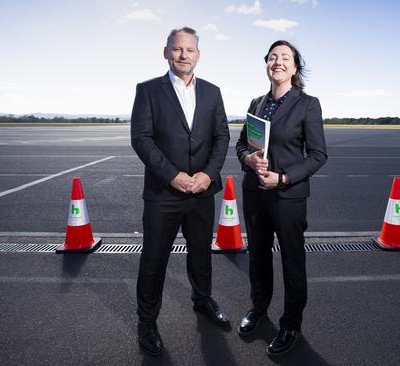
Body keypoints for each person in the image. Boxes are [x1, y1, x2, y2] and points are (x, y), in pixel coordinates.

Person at [130, 26, 231, 357]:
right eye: (177, 49)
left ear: (198, 55)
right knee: (154, 260)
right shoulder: (147, 91)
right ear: (166, 53)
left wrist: (208, 174)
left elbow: (222, 138)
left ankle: (202, 301)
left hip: (202, 191)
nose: (183, 55)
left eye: (189, 50)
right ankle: (147, 322)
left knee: (201, 254)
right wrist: (173, 176)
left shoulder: (213, 92)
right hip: (163, 193)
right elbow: (141, 139)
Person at [235, 40, 327, 356]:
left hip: (287, 196)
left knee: (291, 261)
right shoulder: (256, 102)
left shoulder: (308, 104)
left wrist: (284, 177)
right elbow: (241, 145)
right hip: (255, 194)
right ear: (267, 65)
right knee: (258, 256)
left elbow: (317, 155)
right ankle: (258, 309)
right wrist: (248, 159)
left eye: (284, 57)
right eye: (273, 57)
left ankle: (291, 324)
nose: (278, 61)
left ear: (295, 67)